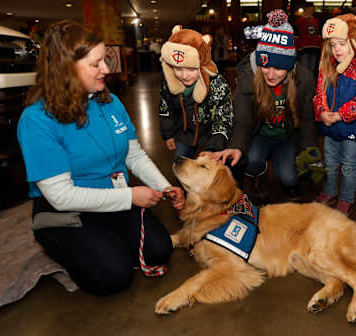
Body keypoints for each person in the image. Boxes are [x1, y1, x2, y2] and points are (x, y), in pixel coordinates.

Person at [17, 20, 185, 296]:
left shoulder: (109, 102)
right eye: (96, 64)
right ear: (66, 68)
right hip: (66, 210)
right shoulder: (36, 120)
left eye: (104, 60)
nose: (106, 69)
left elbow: (134, 154)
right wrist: (131, 198)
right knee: (113, 277)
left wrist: (163, 186)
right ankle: (62, 244)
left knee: (159, 251)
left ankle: (104, 242)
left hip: (113, 196)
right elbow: (61, 196)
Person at [212, 9, 319, 203]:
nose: (270, 74)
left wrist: (310, 149)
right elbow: (242, 119)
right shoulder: (248, 77)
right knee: (251, 161)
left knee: (289, 177)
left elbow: (306, 117)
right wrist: (236, 146)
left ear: (289, 66)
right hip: (259, 136)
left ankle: (290, 180)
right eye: (265, 66)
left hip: (286, 137)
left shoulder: (304, 78)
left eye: (278, 68)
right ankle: (258, 180)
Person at [313, 14, 356, 216]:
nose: (337, 49)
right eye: (333, 45)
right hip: (330, 126)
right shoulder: (329, 65)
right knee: (330, 163)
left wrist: (340, 115)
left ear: (354, 42)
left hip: (352, 129)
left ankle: (346, 199)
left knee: (349, 167)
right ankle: (330, 191)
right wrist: (322, 111)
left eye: (342, 44)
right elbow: (319, 93)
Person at [158, 25, 233, 160]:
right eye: (178, 69)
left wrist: (214, 147)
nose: (184, 75)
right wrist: (168, 134)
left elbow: (223, 117)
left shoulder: (217, 83)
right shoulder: (169, 81)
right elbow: (165, 109)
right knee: (180, 167)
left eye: (191, 69)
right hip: (184, 135)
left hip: (211, 137)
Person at [294, 2, 322, 74]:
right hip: (304, 49)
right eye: (311, 8)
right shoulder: (299, 20)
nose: (312, 10)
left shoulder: (316, 20)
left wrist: (320, 46)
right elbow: (296, 35)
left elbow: (318, 35)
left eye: (313, 9)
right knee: (304, 69)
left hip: (314, 48)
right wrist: (296, 48)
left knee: (312, 70)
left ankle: (310, 84)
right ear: (306, 9)